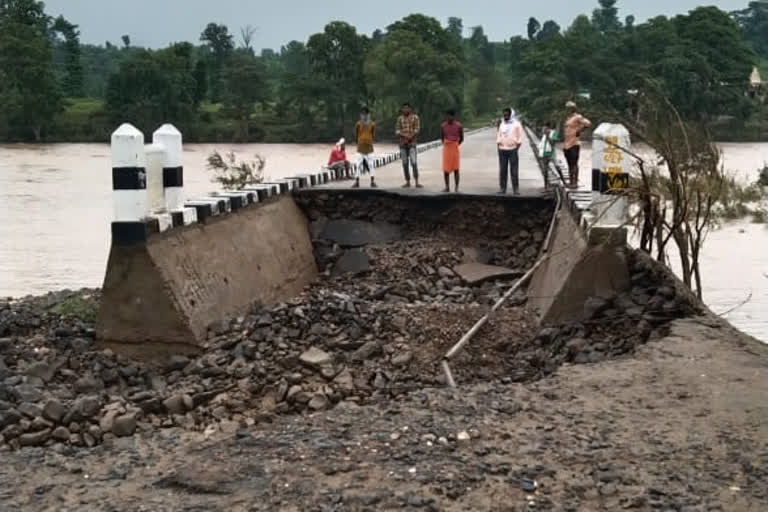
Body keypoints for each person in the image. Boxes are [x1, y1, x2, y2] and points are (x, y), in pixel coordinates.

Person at [563, 101, 592, 189]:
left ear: (573, 108)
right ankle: (571, 181)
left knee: (574, 163)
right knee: (569, 164)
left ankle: (575, 182)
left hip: (574, 143)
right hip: (567, 143)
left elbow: (588, 123)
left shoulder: (577, 117)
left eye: (569, 108)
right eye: (566, 108)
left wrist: (580, 130)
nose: (567, 109)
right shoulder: (568, 118)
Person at [497, 107, 523, 195]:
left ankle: (516, 189)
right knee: (502, 170)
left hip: (513, 150)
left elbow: (520, 138)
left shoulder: (517, 124)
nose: (505, 116)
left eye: (507, 114)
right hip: (502, 150)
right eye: (504, 114)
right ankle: (502, 188)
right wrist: (499, 145)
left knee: (514, 171)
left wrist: (515, 148)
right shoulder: (502, 124)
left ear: (511, 114)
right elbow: (499, 135)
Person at [396, 102, 421, 188]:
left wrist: (410, 137)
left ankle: (417, 181)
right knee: (405, 163)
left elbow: (417, 129)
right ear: (402, 109)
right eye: (404, 108)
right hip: (403, 143)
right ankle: (407, 181)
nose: (405, 110)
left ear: (410, 109)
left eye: (407, 108)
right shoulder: (399, 119)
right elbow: (397, 131)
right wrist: (405, 136)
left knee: (414, 162)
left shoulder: (415, 117)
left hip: (412, 143)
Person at [353, 106, 377, 188]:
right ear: (361, 114)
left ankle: (372, 182)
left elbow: (373, 135)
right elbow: (356, 135)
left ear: (368, 114)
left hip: (369, 147)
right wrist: (359, 142)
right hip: (360, 147)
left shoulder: (372, 124)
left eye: (365, 113)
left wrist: (368, 141)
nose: (364, 115)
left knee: (371, 165)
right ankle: (357, 182)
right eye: (362, 113)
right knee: (358, 165)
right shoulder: (358, 124)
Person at [441, 109, 464, 192]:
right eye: (447, 116)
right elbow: (442, 138)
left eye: (451, 116)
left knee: (456, 168)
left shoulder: (459, 126)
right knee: (445, 169)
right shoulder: (443, 126)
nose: (449, 117)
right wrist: (447, 144)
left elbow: (462, 138)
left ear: (454, 116)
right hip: (446, 147)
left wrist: (455, 144)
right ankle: (447, 187)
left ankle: (456, 187)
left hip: (454, 146)